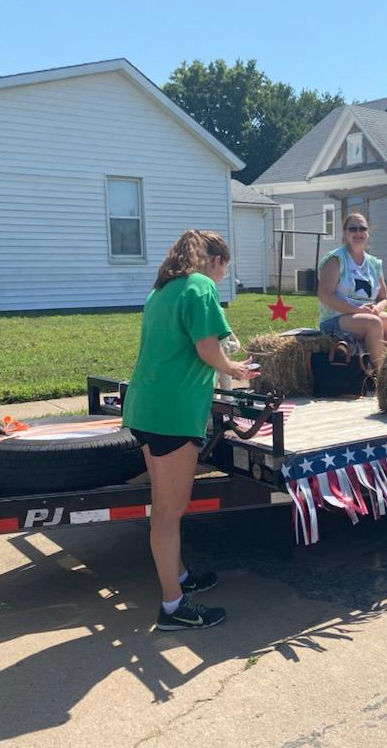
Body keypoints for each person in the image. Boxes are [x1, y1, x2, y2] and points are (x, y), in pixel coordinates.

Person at [122, 229, 258, 631]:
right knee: (169, 511)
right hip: (172, 411)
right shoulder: (199, 287)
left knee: (164, 504)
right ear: (214, 261)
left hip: (147, 406)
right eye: (224, 270)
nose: (221, 279)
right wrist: (235, 369)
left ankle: (180, 578)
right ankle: (172, 607)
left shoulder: (162, 288)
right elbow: (207, 348)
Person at [317, 213, 387, 368]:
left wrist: (377, 308)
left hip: (365, 315)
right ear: (344, 233)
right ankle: (381, 377)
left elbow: (385, 298)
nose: (358, 233)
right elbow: (324, 295)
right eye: (353, 229)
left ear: (367, 233)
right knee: (373, 323)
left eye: (362, 228)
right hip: (335, 319)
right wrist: (356, 310)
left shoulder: (374, 263)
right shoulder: (336, 259)